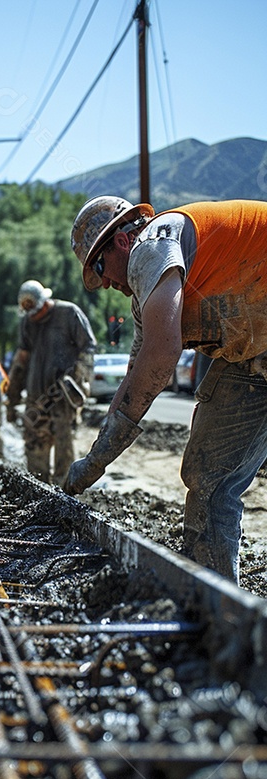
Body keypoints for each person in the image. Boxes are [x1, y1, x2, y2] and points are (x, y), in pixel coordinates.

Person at [67, 195, 267, 583]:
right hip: (253, 354)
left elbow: (161, 358)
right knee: (208, 476)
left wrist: (94, 465)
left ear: (121, 241)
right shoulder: (148, 299)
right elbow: (135, 379)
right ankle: (217, 603)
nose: (105, 283)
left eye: (100, 266)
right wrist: (94, 456)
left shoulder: (152, 244)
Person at [6, 279, 96, 485]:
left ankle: (64, 495)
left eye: (35, 312)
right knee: (35, 448)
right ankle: (39, 490)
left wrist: (78, 382)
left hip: (62, 397)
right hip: (36, 398)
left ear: (44, 302)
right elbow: (21, 361)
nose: (33, 317)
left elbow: (88, 349)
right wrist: (11, 399)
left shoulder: (69, 314)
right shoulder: (28, 323)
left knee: (64, 450)